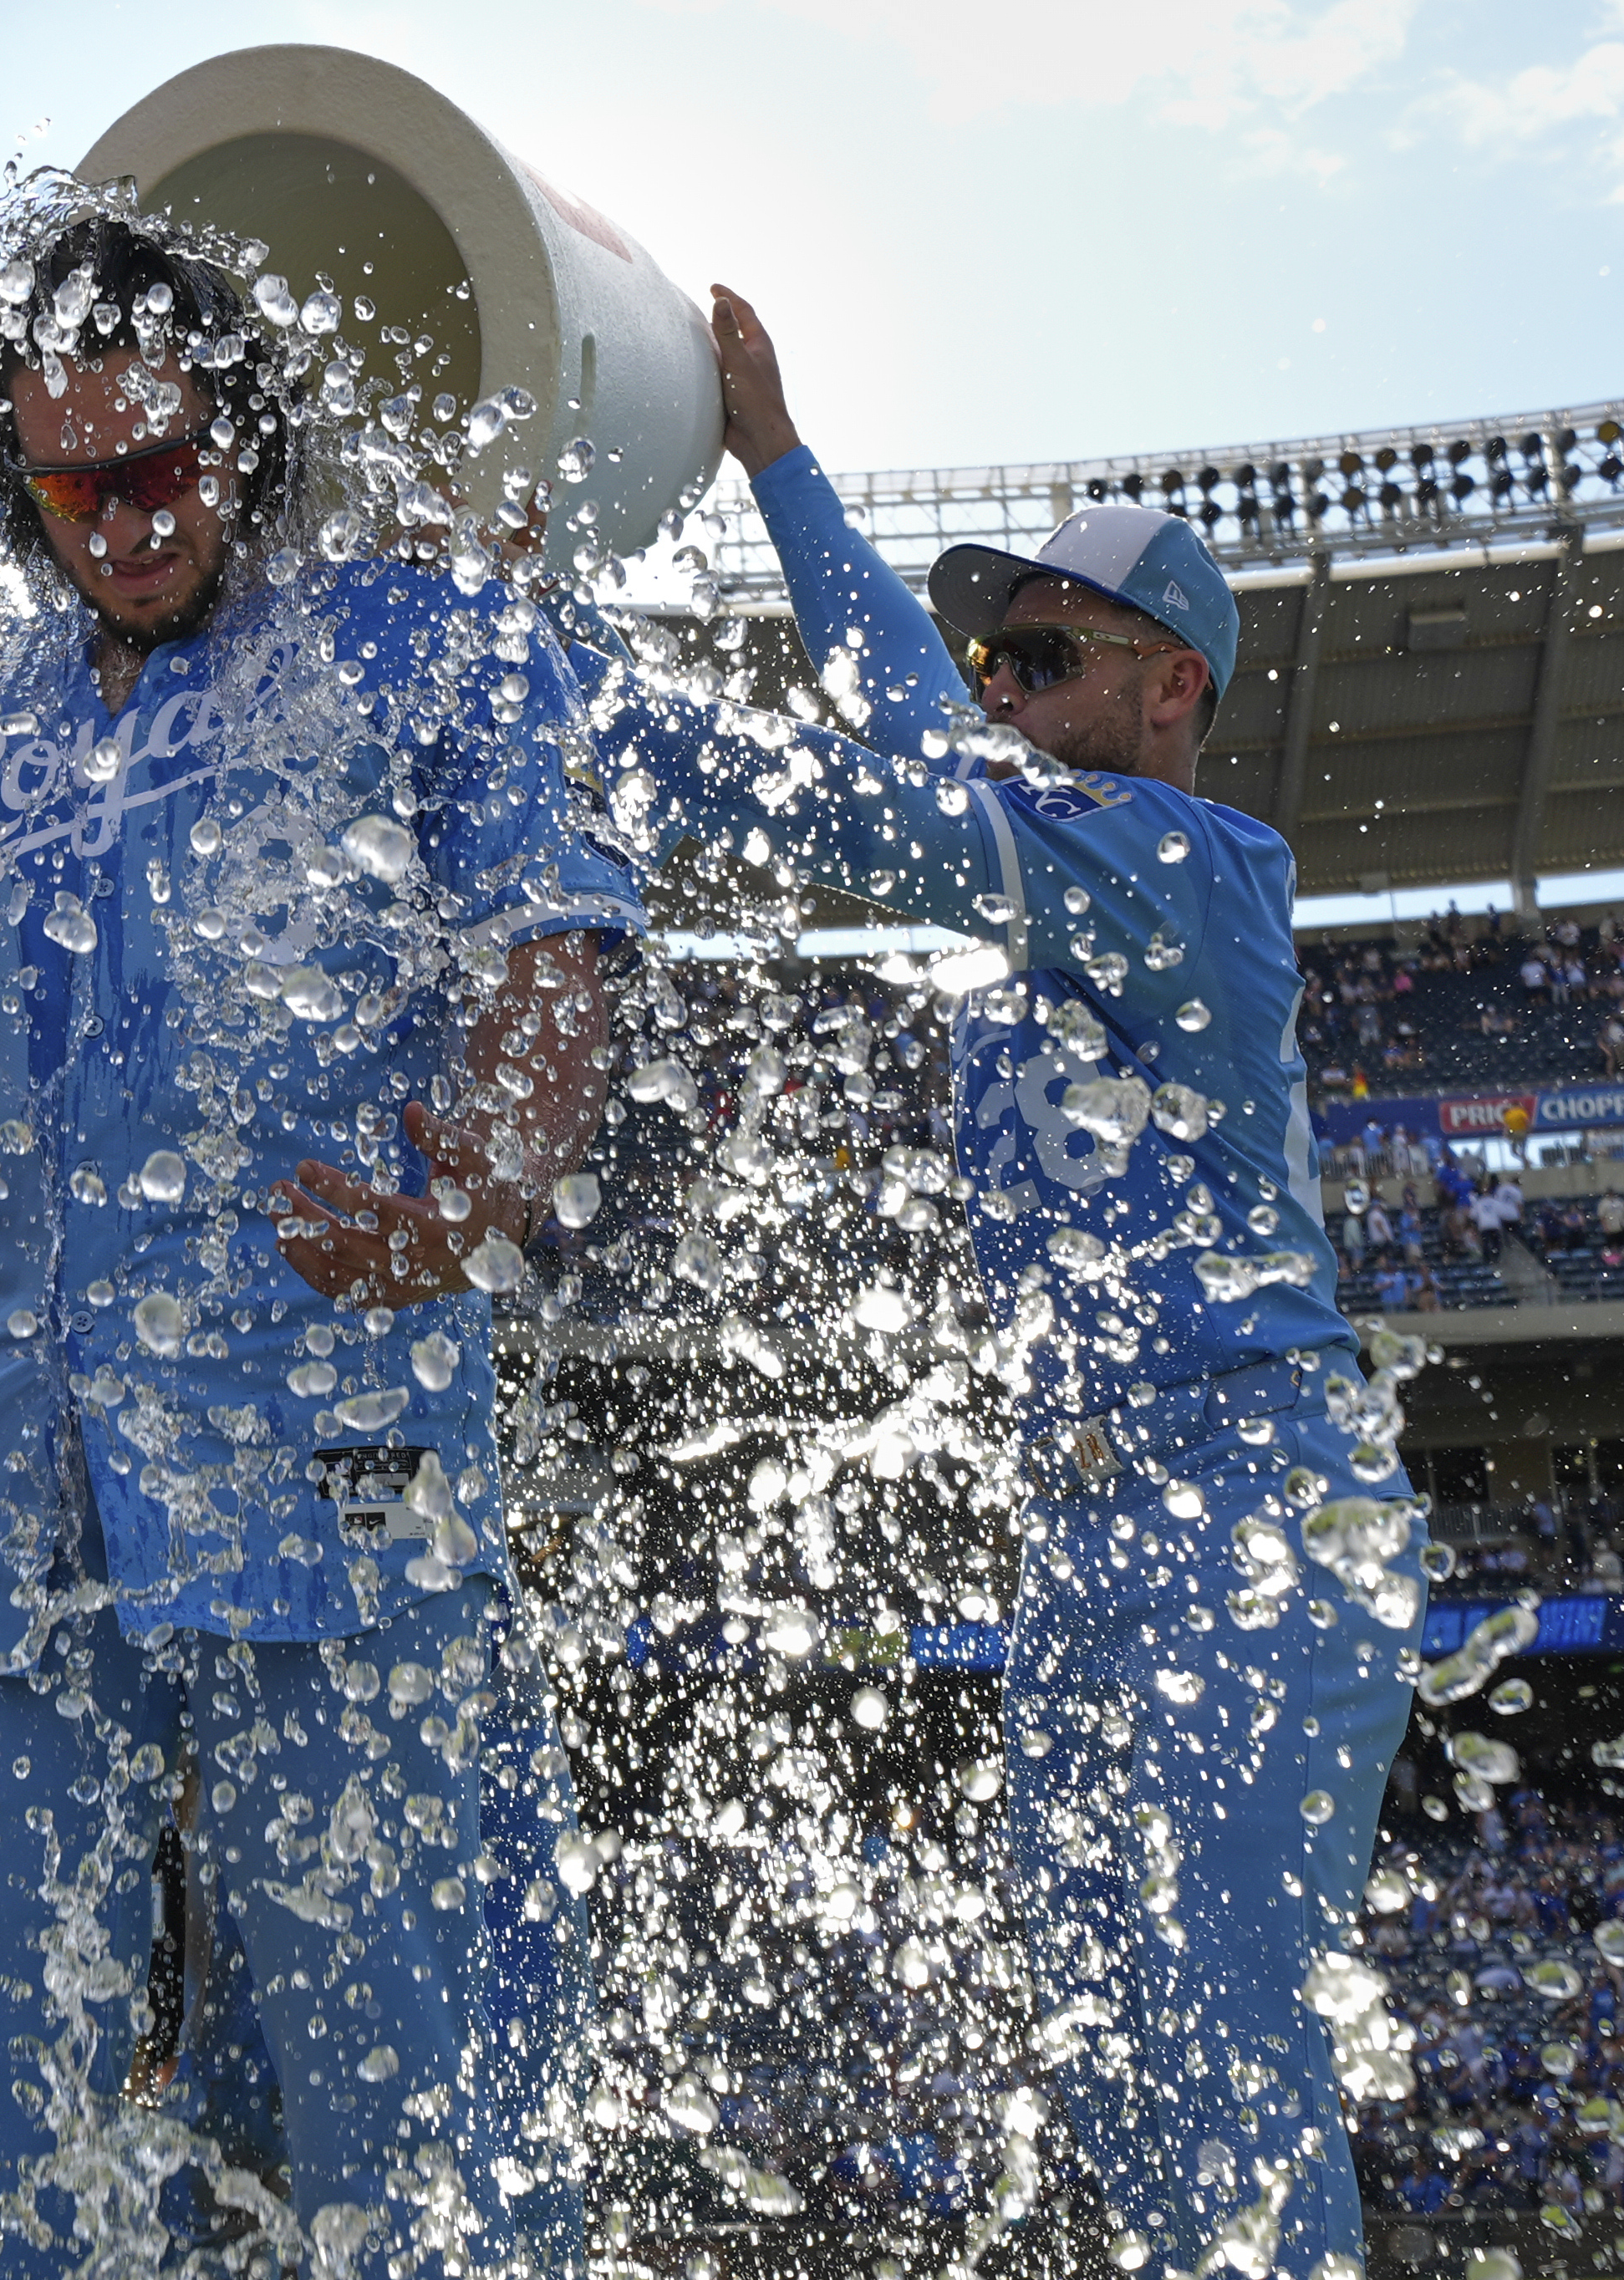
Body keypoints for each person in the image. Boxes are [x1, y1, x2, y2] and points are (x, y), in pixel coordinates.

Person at [0, 213, 634, 2279]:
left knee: (374, 2083)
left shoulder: (416, 639)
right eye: (68, 485)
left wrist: (479, 1180)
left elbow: (547, 943)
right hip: (1, 1475)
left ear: (241, 431)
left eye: (156, 470)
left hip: (330, 1436)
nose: (120, 525)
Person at [600, 285, 1426, 2278]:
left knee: (1219, 2058)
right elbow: (904, 727)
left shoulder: (1182, 863)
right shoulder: (1034, 851)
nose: (995, 684)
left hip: (1249, 1504)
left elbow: (874, 797)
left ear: (1165, 692)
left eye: (1041, 656)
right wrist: (776, 464)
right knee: (1119, 2062)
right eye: (995, 653)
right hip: (1099, 1519)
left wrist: (564, 697)